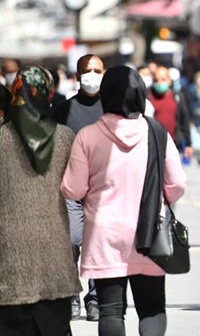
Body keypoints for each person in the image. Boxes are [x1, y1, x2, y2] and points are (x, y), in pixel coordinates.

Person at [61, 66, 187, 335]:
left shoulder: (88, 136)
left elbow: (72, 189)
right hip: (149, 233)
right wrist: (162, 200)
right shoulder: (157, 132)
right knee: (152, 308)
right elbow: (176, 184)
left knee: (110, 310)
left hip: (104, 235)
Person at [0, 65, 81, 336]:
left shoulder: (0, 139)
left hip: (9, 251)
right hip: (53, 248)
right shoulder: (66, 137)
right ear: (48, 94)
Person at [52, 53, 105, 322]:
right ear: (77, 76)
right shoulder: (63, 110)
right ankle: (71, 292)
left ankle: (94, 298)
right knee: (72, 241)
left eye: (98, 70)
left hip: (102, 190)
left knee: (96, 245)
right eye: (87, 71)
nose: (92, 75)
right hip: (71, 189)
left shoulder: (113, 109)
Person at [148, 65, 193, 158]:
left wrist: (188, 144)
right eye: (156, 80)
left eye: (163, 79)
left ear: (169, 80)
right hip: (152, 144)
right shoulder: (147, 96)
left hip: (173, 143)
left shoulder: (177, 97)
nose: (159, 83)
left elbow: (184, 121)